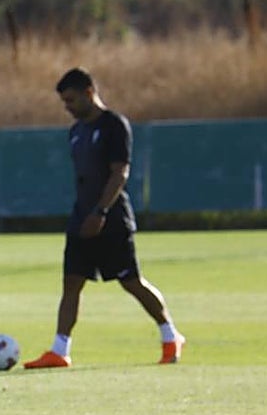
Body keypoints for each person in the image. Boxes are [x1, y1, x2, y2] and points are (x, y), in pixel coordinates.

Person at [24, 66, 185, 369]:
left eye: (71, 100)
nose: (67, 108)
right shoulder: (76, 132)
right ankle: (60, 350)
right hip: (80, 219)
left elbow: (119, 172)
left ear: (88, 92)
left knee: (131, 282)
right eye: (64, 102)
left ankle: (170, 334)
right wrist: (85, 214)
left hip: (110, 219)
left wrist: (100, 212)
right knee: (71, 282)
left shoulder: (114, 125)